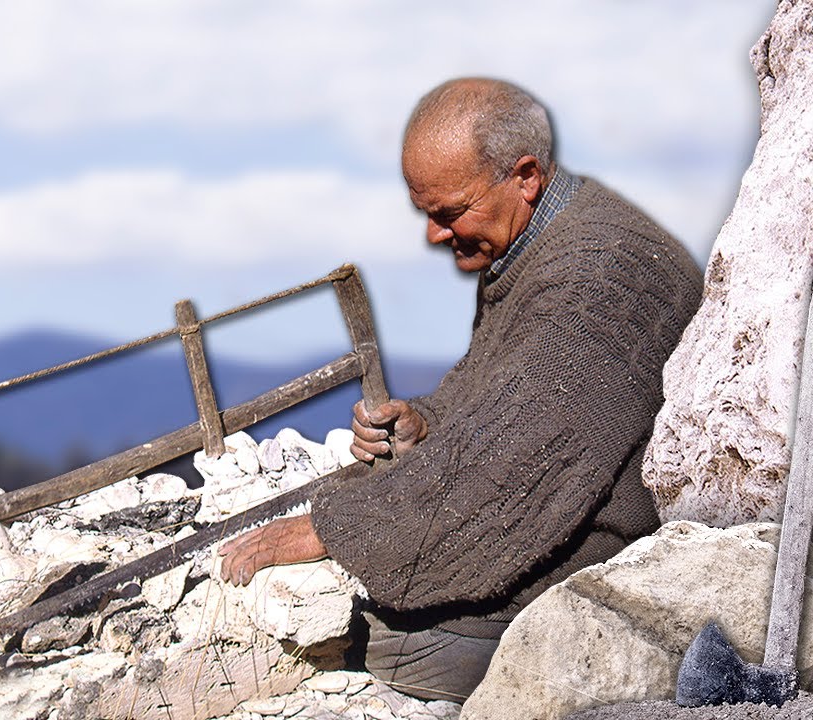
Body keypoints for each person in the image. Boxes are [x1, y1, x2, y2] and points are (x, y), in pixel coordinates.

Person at [218, 77, 703, 701]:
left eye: (448, 213)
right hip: (558, 492)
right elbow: (502, 388)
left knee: (400, 645)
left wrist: (335, 531)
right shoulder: (532, 240)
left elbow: (520, 456)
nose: (433, 236)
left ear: (524, 177)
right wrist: (424, 420)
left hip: (613, 541)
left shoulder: (601, 274)